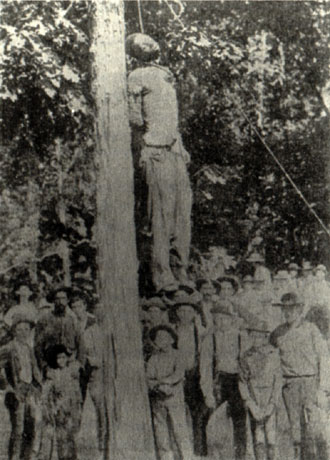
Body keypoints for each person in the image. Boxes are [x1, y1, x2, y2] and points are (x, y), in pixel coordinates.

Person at [127, 33, 192, 292]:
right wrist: (144, 144)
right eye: (141, 44)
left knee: (182, 215)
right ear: (136, 53)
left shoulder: (166, 74)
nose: (150, 44)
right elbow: (134, 118)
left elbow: (171, 115)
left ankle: (181, 270)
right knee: (161, 218)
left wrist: (180, 144)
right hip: (155, 151)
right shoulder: (136, 76)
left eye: (150, 40)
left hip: (175, 149)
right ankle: (162, 277)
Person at [270, 292, 329, 460]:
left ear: (300, 310)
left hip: (310, 383)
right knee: (293, 430)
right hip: (288, 386)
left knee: (314, 430)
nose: (288, 312)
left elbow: (324, 357)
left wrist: (323, 388)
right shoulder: (277, 333)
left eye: (292, 309)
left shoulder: (311, 329)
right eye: (285, 309)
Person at [199, 304, 246, 460]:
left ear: (231, 319)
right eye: (217, 319)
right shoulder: (209, 339)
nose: (221, 322)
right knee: (216, 422)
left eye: (224, 318)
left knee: (240, 422)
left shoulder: (240, 336)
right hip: (219, 382)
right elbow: (205, 368)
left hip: (238, 382)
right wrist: (207, 393)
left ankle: (240, 455)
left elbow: (246, 362)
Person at [146, 325, 193, 460]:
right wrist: (157, 386)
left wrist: (163, 382)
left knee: (180, 432)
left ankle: (187, 457)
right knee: (161, 433)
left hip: (175, 399)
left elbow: (178, 374)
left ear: (172, 340)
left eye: (163, 337)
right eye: (157, 338)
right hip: (159, 399)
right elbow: (149, 378)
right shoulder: (153, 358)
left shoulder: (178, 355)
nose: (160, 340)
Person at [0, 313, 42, 460]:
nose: (23, 333)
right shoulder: (9, 348)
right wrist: (9, 387)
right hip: (16, 392)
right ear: (14, 331)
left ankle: (26, 457)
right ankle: (14, 457)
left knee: (31, 427)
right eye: (19, 330)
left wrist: (39, 386)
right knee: (18, 430)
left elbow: (35, 370)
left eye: (26, 329)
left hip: (30, 390)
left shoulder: (29, 349)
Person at [239, 320, 282, 460]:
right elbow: (242, 382)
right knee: (258, 437)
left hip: (270, 401)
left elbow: (278, 381)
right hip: (254, 401)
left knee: (271, 437)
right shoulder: (246, 357)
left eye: (259, 336)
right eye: (253, 335)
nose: (256, 339)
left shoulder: (273, 354)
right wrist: (250, 404)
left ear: (265, 337)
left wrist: (272, 404)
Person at [174, 295, 206, 456]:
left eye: (189, 311)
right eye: (182, 310)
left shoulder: (200, 331)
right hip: (177, 375)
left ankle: (199, 450)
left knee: (197, 414)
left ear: (194, 313)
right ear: (177, 312)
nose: (185, 314)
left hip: (194, 376)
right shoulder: (173, 330)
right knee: (178, 413)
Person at [38, 344, 82, 460]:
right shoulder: (53, 375)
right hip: (59, 412)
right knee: (60, 440)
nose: (61, 360)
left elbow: (77, 395)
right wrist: (50, 409)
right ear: (55, 360)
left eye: (63, 357)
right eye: (59, 358)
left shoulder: (72, 375)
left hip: (71, 411)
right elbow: (45, 395)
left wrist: (78, 410)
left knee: (71, 440)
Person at [34, 287, 83, 375]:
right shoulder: (44, 320)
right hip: (51, 364)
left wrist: (78, 364)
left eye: (63, 298)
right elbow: (38, 346)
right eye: (57, 299)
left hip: (70, 364)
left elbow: (81, 344)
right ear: (53, 301)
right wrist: (44, 366)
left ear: (68, 300)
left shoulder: (73, 320)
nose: (60, 302)